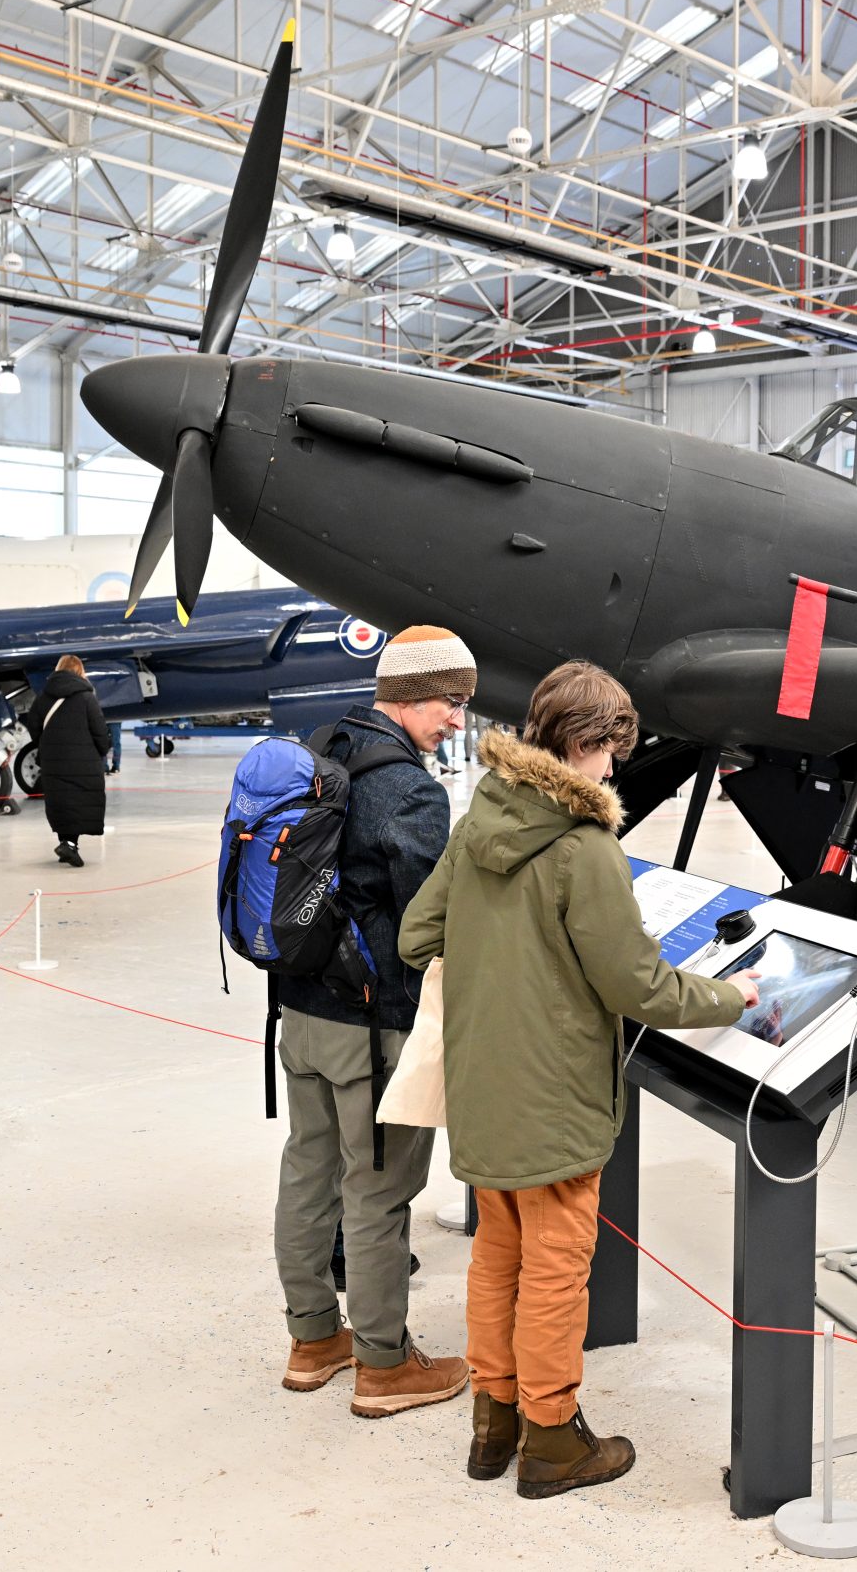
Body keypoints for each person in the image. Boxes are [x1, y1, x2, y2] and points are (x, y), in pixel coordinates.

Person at [401, 661, 760, 1500]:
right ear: (589, 743)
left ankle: (493, 1427)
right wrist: (730, 997)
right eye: (611, 750)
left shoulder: (478, 818)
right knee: (558, 1272)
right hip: (556, 1095)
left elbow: (419, 934)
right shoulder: (584, 846)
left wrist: (502, 972)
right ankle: (553, 1439)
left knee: (498, 1257)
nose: (614, 769)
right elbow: (638, 986)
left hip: (483, 1087)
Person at [275, 626, 475, 1420]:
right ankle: (385, 1365)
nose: (458, 721)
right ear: (417, 696)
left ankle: (312, 1338)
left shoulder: (326, 743)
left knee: (307, 1172)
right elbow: (435, 914)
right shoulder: (409, 789)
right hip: (374, 1024)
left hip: (301, 1010)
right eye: (453, 703)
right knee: (380, 1190)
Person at [28, 654, 108, 867]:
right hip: (84, 761)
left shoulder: (44, 696)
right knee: (79, 801)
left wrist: (46, 745)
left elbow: (33, 725)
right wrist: (103, 750)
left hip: (53, 761)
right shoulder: (86, 697)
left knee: (61, 802)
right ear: (80, 671)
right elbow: (99, 729)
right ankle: (70, 845)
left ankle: (67, 843)